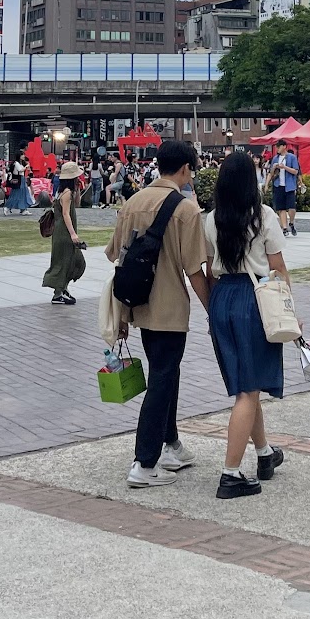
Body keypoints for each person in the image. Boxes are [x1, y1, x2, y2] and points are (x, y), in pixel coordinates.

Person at [106, 138, 210, 489]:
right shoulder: (186, 209)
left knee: (166, 372)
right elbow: (195, 269)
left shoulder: (132, 202)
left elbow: (115, 255)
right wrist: (213, 310)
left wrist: (121, 314)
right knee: (163, 378)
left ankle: (172, 445)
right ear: (185, 168)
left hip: (137, 302)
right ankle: (145, 462)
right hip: (169, 305)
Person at [202, 149, 293, 499]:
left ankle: (265, 453)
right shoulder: (263, 216)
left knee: (246, 383)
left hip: (222, 297)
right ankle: (230, 473)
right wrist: (289, 308)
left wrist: (214, 309)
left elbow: (209, 268)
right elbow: (278, 268)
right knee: (248, 389)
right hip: (254, 297)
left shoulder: (211, 219)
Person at [42, 161, 88, 305]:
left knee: (71, 260)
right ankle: (58, 293)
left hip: (63, 230)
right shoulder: (66, 193)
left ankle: (63, 289)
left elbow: (77, 204)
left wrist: (78, 190)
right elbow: (66, 214)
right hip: (64, 231)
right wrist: (73, 234)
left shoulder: (65, 191)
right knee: (64, 261)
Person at [268, 140, 301, 236]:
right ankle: (285, 228)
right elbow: (271, 173)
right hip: (278, 185)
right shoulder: (275, 158)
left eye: (278, 147)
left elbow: (295, 171)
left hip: (289, 186)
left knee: (291, 208)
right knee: (281, 208)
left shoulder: (292, 157)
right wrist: (274, 167)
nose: (277, 149)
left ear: (284, 146)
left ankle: (291, 222)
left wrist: (284, 167)